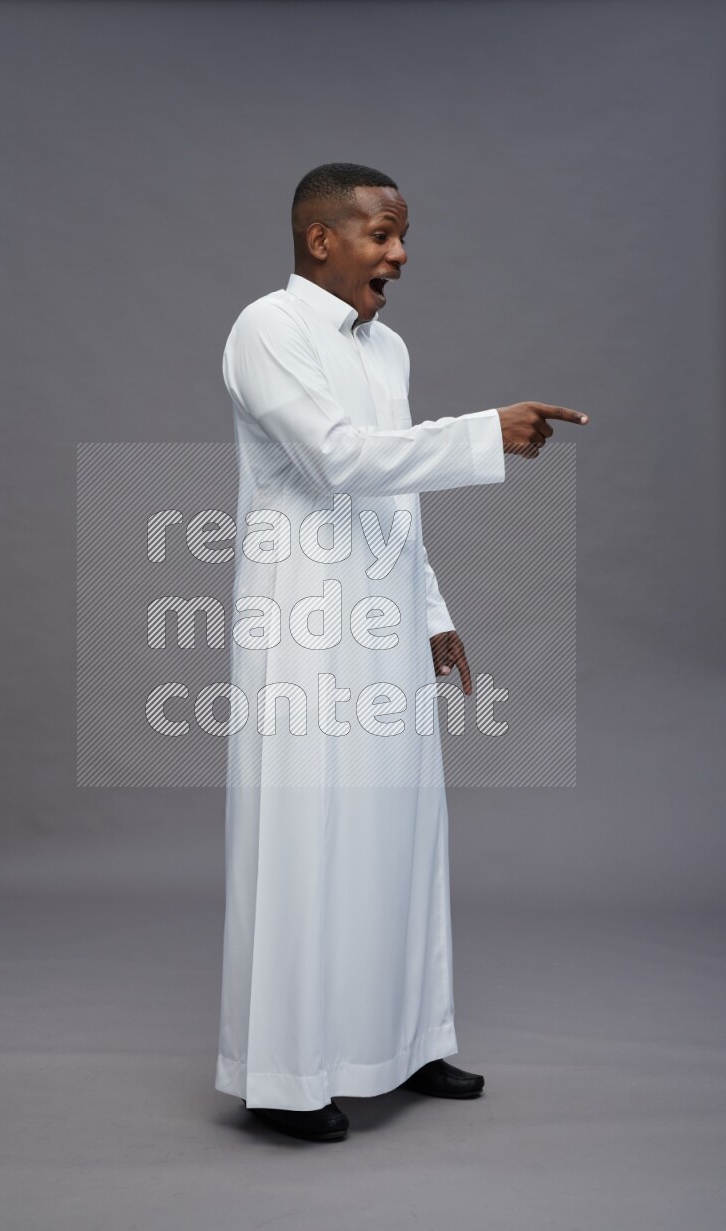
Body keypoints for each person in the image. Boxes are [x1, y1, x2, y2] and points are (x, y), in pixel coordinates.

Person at [215, 162, 588, 1142]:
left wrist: (429, 610)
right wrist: (484, 434)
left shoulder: (388, 348)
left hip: (381, 621)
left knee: (402, 833)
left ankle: (406, 1040)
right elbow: (335, 458)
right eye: (381, 233)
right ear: (320, 239)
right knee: (304, 843)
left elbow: (393, 495)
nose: (400, 253)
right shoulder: (266, 328)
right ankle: (285, 1077)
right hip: (301, 627)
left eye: (402, 234)